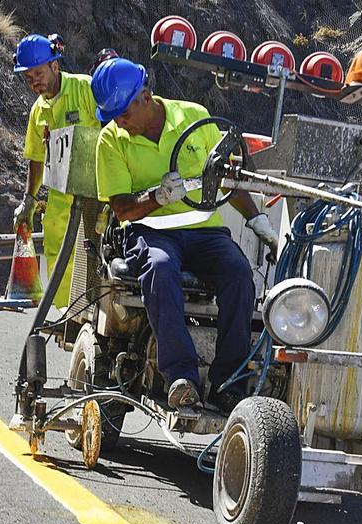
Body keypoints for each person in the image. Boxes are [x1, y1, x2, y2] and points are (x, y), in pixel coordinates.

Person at [90, 57, 280, 412]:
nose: (119, 121)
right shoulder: (111, 141)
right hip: (151, 232)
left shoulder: (195, 118)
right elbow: (122, 209)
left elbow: (226, 177)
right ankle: (182, 378)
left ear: (145, 97)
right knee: (160, 269)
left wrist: (257, 221)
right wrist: (157, 197)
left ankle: (229, 382)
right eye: (113, 115)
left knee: (239, 274)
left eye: (123, 112)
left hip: (203, 229)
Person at [13, 34, 100, 308]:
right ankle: (67, 320)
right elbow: (37, 159)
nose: (34, 81)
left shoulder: (86, 89)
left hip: (98, 196)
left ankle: (94, 315)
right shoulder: (38, 111)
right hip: (61, 203)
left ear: (55, 65)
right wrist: (29, 199)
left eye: (38, 73)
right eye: (28, 77)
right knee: (58, 256)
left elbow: (115, 131)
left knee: (96, 258)